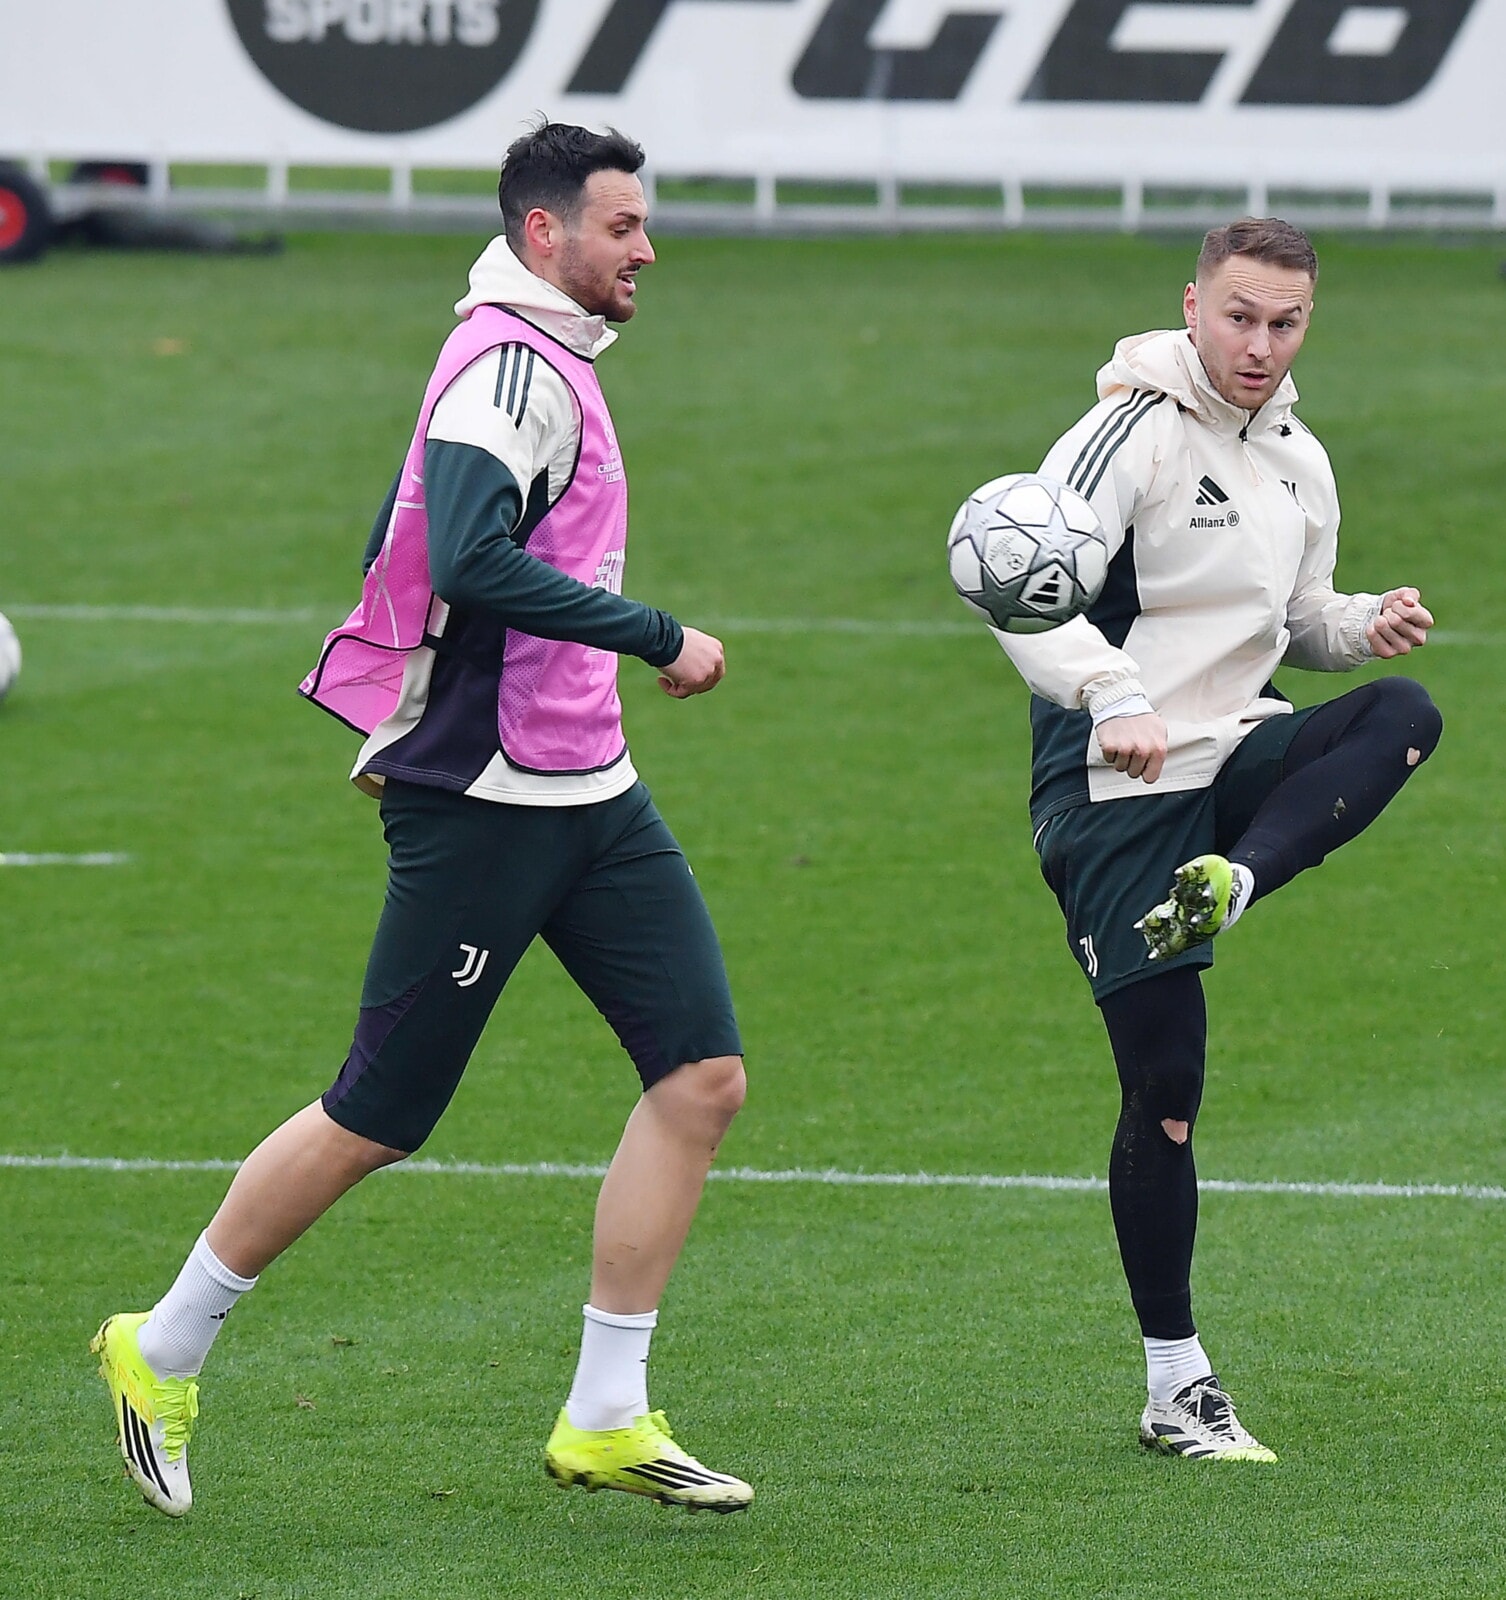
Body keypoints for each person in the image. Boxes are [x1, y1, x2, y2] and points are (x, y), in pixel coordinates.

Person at [93, 122, 753, 1516]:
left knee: (700, 1079)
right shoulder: (509, 370)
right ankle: (163, 1345)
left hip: (591, 789)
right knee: (379, 1112)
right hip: (482, 799)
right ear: (543, 234)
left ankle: (605, 1412)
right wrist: (653, 632)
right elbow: (467, 554)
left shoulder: (551, 355)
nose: (646, 248)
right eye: (622, 226)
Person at [994, 218, 1440, 1461]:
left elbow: (1296, 617)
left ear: (1308, 322)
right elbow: (1022, 596)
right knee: (1168, 1091)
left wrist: (1364, 623)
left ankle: (1235, 881)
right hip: (1116, 778)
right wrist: (1113, 697)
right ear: (1192, 305)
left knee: (1404, 713)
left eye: (1284, 323)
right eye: (1239, 316)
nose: (1259, 344)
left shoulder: (1298, 458)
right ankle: (1174, 1385)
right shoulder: (1124, 433)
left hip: (1235, 749)